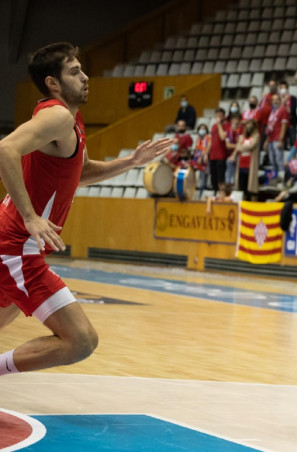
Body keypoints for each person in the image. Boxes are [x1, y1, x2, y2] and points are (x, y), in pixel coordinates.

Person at [0, 42, 172, 380]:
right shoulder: (58, 116)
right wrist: (31, 216)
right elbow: (5, 149)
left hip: (11, 243)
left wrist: (131, 162)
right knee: (81, 340)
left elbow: (82, 171)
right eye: (75, 71)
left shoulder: (68, 120)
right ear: (53, 82)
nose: (85, 76)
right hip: (17, 247)